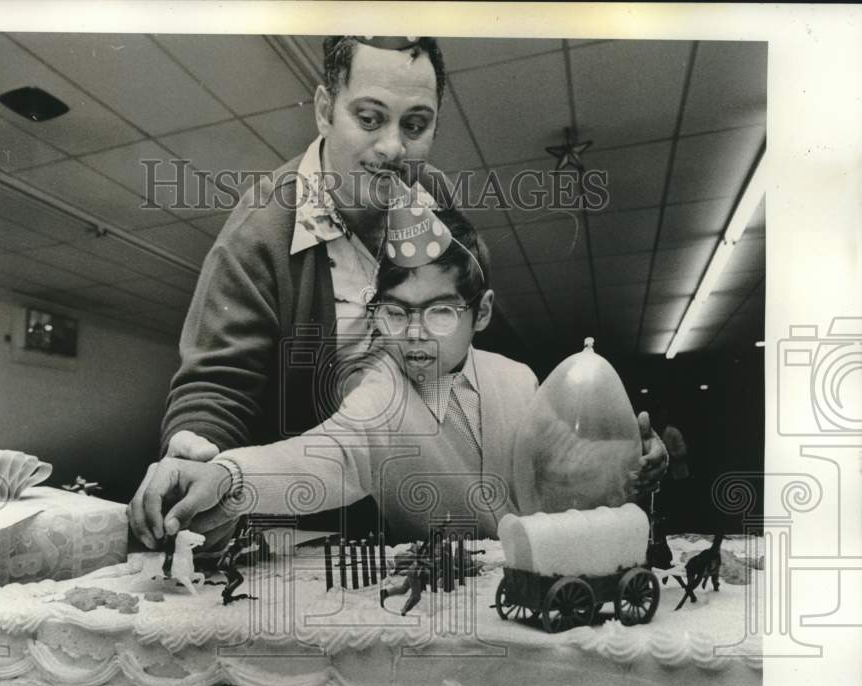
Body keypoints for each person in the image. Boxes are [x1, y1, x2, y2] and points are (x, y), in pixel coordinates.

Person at [129, 35, 667, 548]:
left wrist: (611, 454)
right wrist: (199, 453)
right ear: (324, 109)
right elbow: (219, 384)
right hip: (315, 516)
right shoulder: (259, 230)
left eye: (415, 124)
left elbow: (467, 351)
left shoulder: (430, 194)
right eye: (368, 118)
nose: (392, 148)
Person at [132, 208, 667, 546]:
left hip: (541, 578)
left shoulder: (522, 380)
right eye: (394, 312)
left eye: (438, 312)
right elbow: (323, 456)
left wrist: (629, 466)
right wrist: (227, 476)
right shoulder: (379, 390)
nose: (412, 336)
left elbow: (570, 475)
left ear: (480, 314)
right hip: (439, 607)